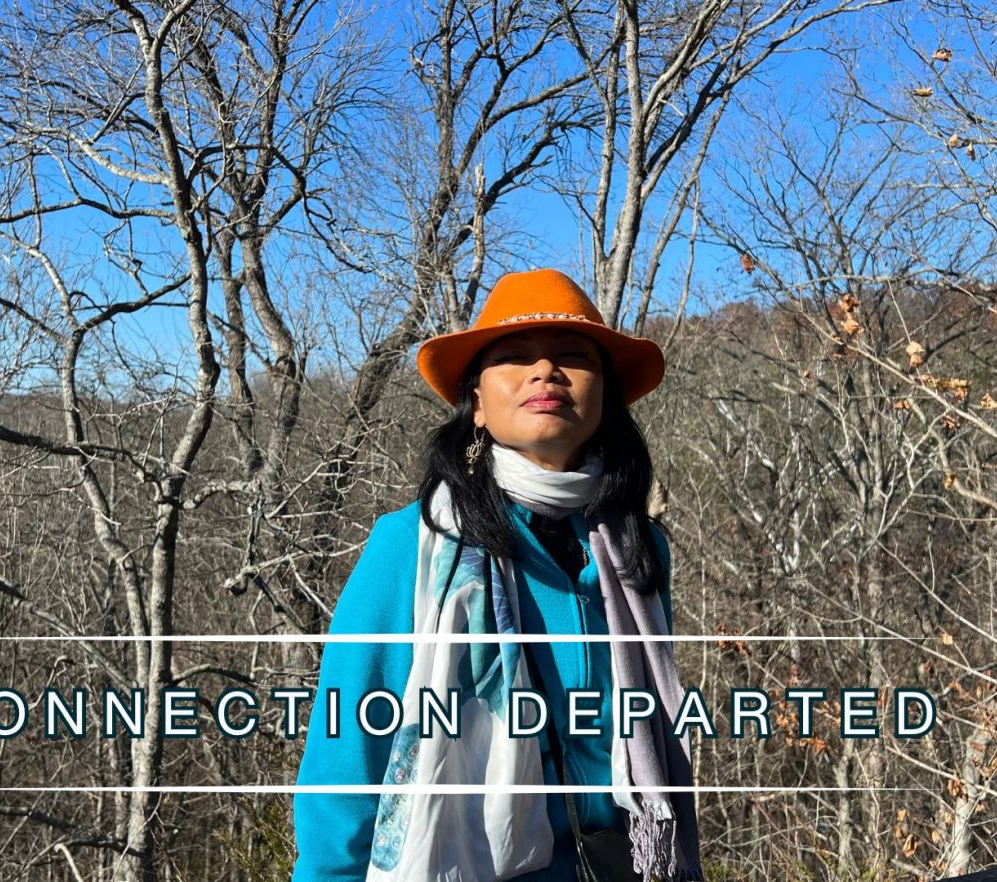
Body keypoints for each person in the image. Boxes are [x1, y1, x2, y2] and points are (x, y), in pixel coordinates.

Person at [291, 268, 703, 881]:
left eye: (573, 356)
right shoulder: (413, 547)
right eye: (514, 357)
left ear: (607, 398)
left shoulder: (638, 550)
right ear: (478, 404)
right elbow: (348, 753)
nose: (546, 371)